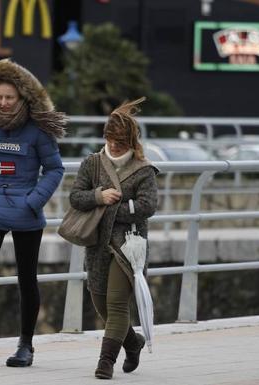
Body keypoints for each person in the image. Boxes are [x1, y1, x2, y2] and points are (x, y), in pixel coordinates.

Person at [0, 58, 66, 367]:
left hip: (26, 211)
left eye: (10, 97)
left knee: (26, 279)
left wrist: (34, 201)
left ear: (22, 98)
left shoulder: (37, 131)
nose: (3, 103)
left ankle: (26, 346)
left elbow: (55, 169)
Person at [68, 98, 158, 379]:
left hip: (128, 245)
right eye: (110, 138)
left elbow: (148, 206)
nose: (115, 145)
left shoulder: (143, 169)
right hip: (96, 244)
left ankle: (105, 361)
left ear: (131, 140)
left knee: (118, 303)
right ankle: (133, 343)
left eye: (120, 140)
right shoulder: (92, 163)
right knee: (100, 303)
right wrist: (99, 196)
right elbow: (75, 197)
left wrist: (114, 208)